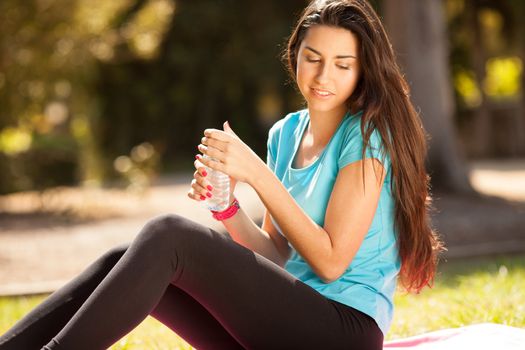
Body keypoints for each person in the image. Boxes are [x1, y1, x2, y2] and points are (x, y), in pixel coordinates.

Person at [0, 0, 444, 349]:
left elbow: (330, 263)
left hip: (343, 331)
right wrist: (226, 204)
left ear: (362, 71)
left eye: (343, 64)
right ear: (295, 56)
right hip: (283, 323)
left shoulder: (367, 137)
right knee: (125, 257)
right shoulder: (287, 132)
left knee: (168, 234)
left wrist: (256, 174)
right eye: (313, 58)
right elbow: (276, 256)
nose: (324, 76)